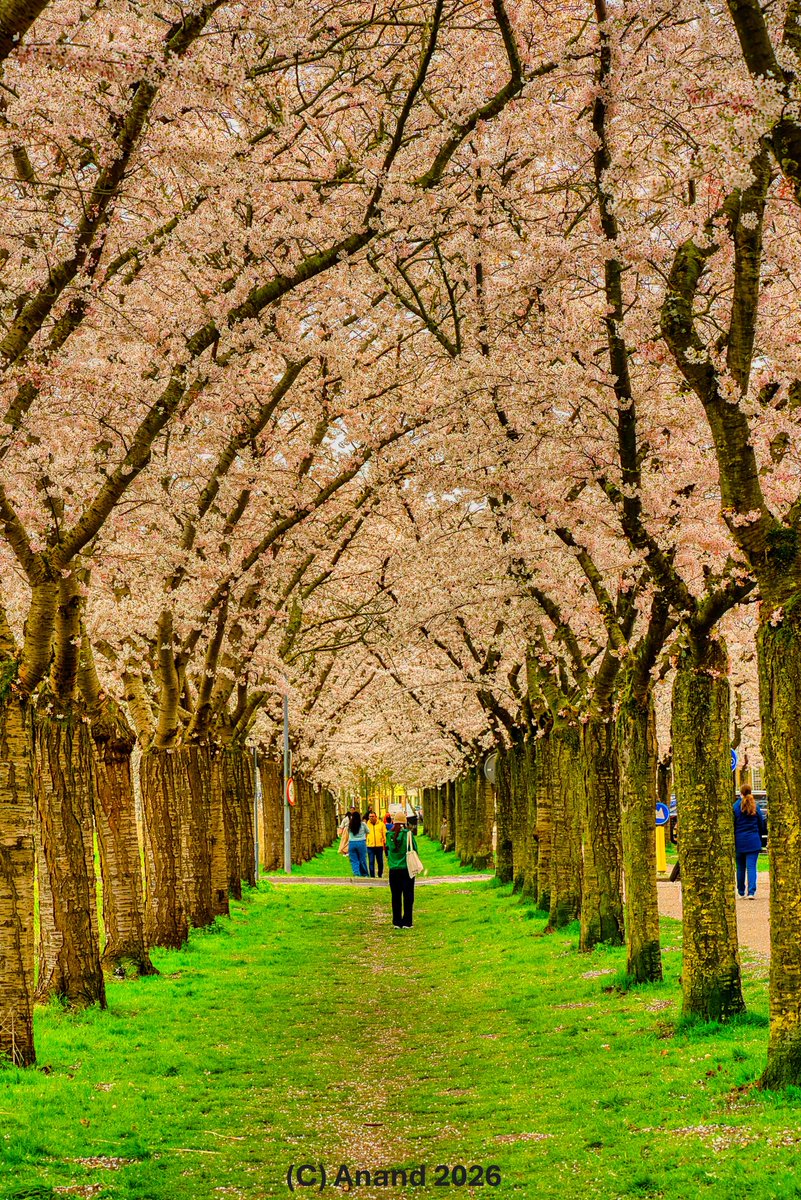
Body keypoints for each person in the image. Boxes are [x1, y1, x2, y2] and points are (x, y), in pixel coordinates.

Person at [733, 784, 767, 899]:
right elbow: (761, 823)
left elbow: (733, 823)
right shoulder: (755, 806)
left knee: (740, 867)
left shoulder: (735, 807)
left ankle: (741, 891)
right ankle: (751, 892)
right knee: (751, 867)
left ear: (740, 793)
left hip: (739, 840)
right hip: (753, 840)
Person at [386, 812, 418, 929]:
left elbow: (387, 850)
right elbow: (414, 849)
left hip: (393, 870)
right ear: (404, 821)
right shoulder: (408, 834)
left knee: (395, 896)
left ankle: (397, 921)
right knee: (408, 895)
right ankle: (407, 921)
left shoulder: (389, 835)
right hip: (406, 869)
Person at [347, 809, 369, 877]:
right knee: (362, 859)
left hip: (352, 843)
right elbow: (368, 831)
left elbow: (348, 832)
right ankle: (365, 873)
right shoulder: (363, 824)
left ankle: (356, 873)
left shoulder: (349, 825)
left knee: (354, 860)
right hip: (361, 842)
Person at [365, 811, 386, 878]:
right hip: (370, 846)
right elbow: (365, 835)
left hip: (379, 846)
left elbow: (384, 834)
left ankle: (380, 874)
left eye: (372, 816)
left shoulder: (381, 824)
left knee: (380, 862)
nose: (371, 818)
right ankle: (372, 876)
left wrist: (385, 843)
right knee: (371, 861)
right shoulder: (366, 825)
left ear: (376, 817)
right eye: (370, 816)